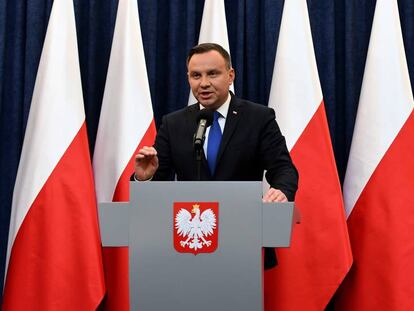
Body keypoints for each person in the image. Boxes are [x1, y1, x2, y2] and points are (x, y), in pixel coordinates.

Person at [134, 43, 298, 268]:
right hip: (187, 248)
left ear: (230, 76)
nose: (204, 83)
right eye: (195, 75)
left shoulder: (258, 118)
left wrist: (281, 192)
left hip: (243, 243)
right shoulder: (173, 124)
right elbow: (157, 189)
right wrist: (145, 178)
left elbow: (284, 169)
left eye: (212, 73)